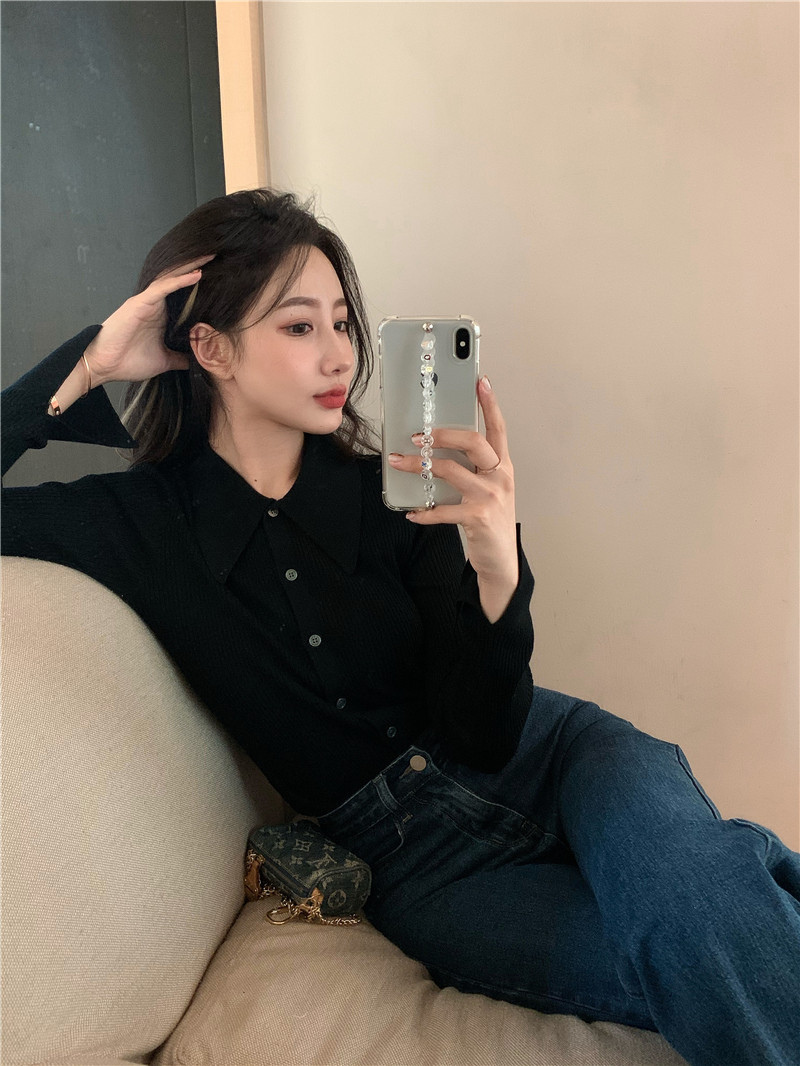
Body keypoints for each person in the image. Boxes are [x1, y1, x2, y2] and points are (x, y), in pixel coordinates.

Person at [2, 188, 798, 1066]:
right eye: (299, 326)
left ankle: (724, 877)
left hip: (561, 757)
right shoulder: (138, 525)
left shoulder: (400, 490)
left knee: (700, 916)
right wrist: (91, 362)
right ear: (211, 347)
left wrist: (496, 569)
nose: (339, 353)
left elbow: (486, 733)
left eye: (343, 323)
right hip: (420, 870)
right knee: (698, 952)